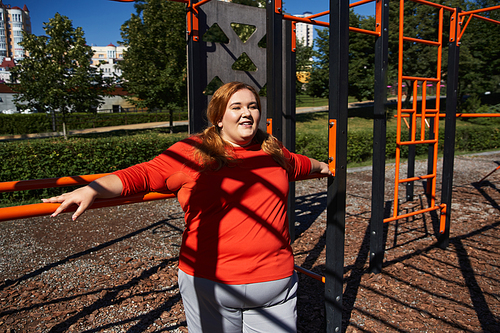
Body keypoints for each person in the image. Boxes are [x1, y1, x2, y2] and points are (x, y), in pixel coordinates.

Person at [43, 82, 331, 333]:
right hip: (212, 279)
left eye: (253, 106)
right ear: (219, 117)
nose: (247, 113)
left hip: (273, 281)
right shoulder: (193, 152)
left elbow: (301, 164)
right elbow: (141, 175)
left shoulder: (272, 150)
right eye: (237, 107)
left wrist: (326, 167)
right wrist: (92, 189)